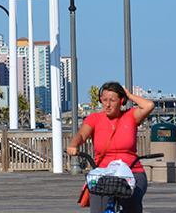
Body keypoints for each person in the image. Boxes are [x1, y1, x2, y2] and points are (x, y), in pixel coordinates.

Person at [66, 82, 155, 213]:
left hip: (131, 171)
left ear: (122, 101)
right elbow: (81, 134)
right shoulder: (94, 118)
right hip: (103, 173)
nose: (107, 105)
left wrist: (129, 95)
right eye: (105, 100)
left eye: (112, 101)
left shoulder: (130, 116)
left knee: (133, 204)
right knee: (98, 209)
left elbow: (149, 105)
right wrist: (74, 145)